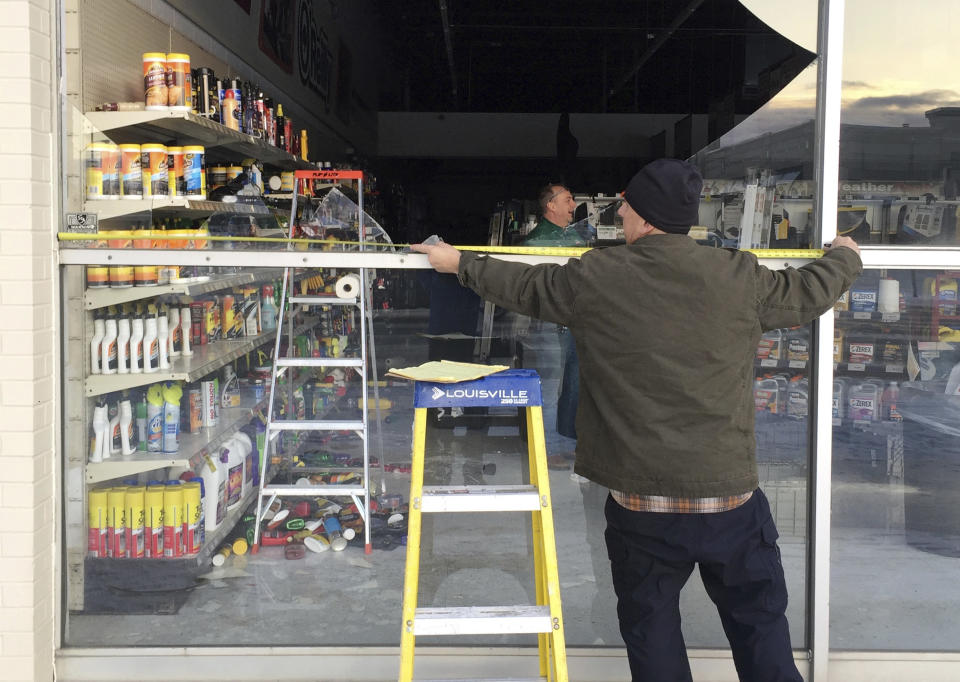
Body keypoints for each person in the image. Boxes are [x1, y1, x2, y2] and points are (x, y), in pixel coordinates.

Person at [412, 158, 862, 682]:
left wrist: (457, 261)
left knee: (653, 639)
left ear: (645, 218)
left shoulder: (599, 277)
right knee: (759, 628)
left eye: (625, 206)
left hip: (641, 503)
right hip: (730, 502)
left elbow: (526, 284)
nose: (619, 213)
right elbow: (810, 291)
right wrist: (846, 256)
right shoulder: (738, 275)